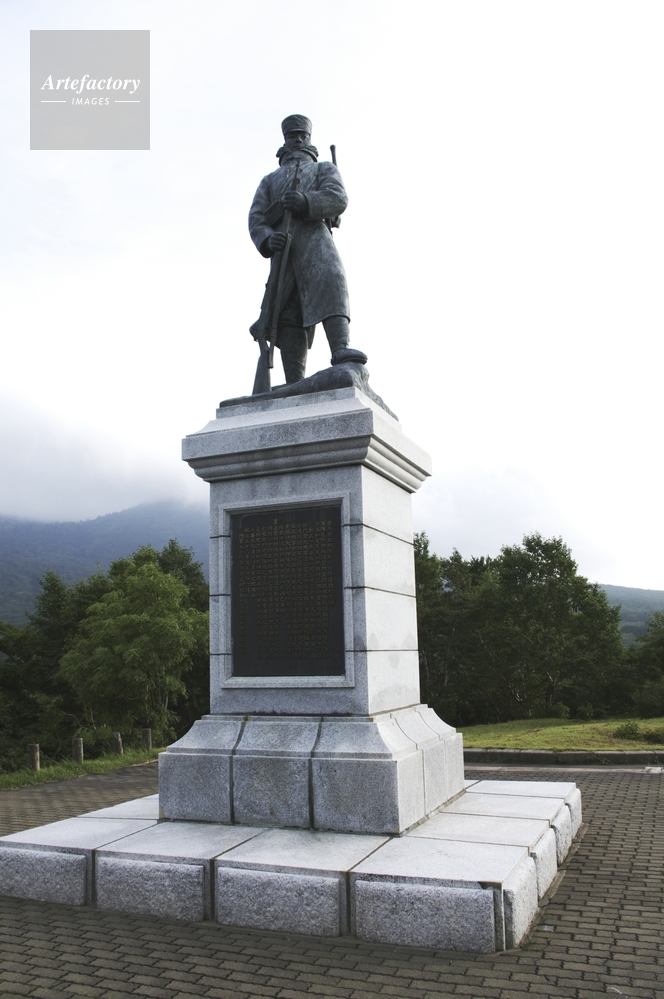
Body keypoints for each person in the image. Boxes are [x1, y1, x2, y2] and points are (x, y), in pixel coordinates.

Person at [249, 114, 367, 384]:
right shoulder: (269, 180)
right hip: (284, 249)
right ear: (285, 141)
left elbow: (338, 197)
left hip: (316, 241)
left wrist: (305, 201)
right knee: (288, 312)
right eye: (293, 136)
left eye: (303, 136)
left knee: (331, 284)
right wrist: (268, 239)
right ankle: (294, 380)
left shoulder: (324, 169)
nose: (299, 140)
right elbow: (256, 218)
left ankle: (340, 348)